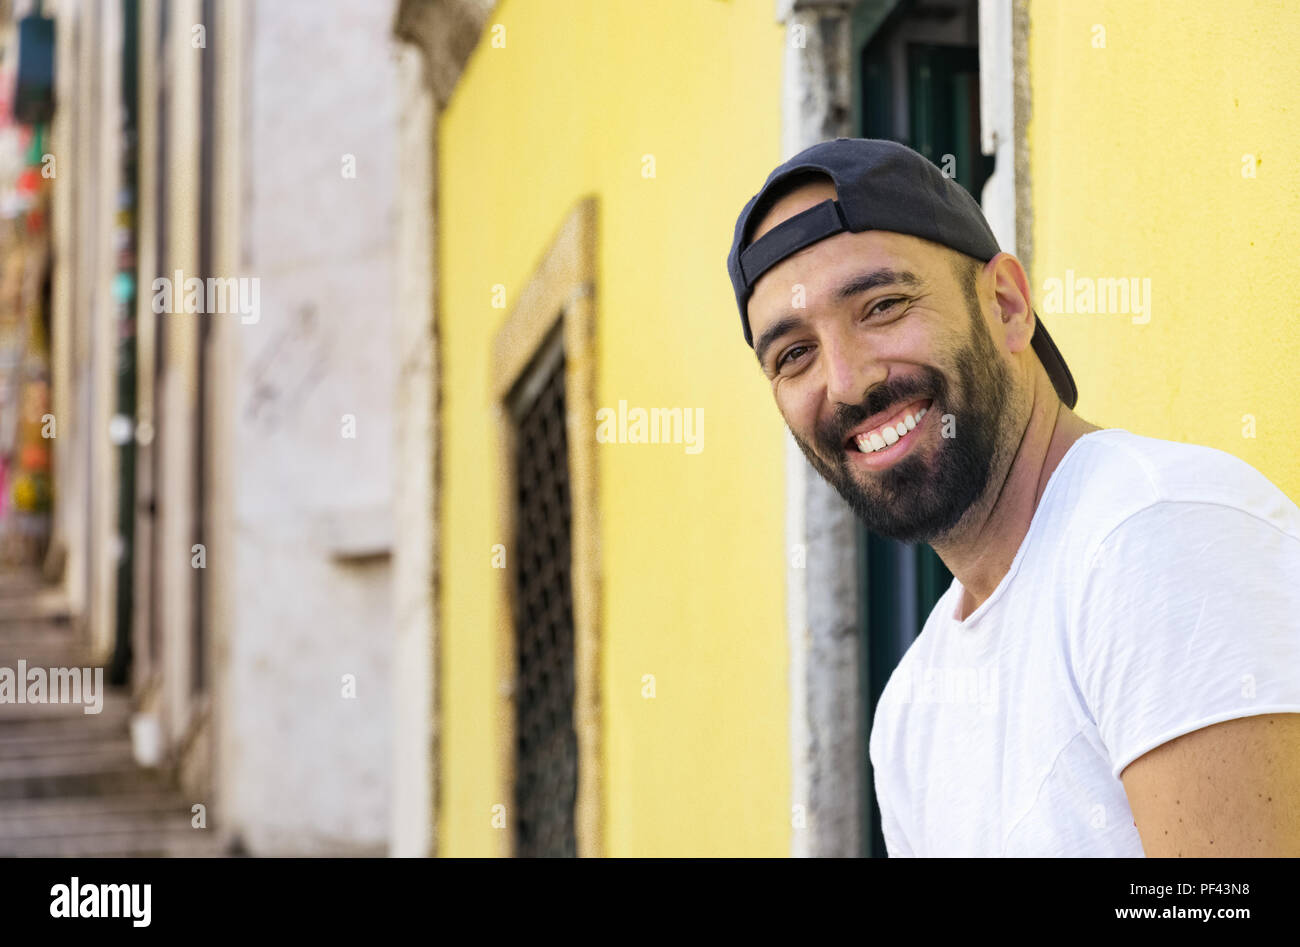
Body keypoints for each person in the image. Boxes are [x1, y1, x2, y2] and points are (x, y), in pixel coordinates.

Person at [726, 137, 1300, 856]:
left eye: (883, 305)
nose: (846, 381)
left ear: (1005, 305)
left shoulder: (1155, 536)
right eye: (794, 355)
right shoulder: (910, 713)